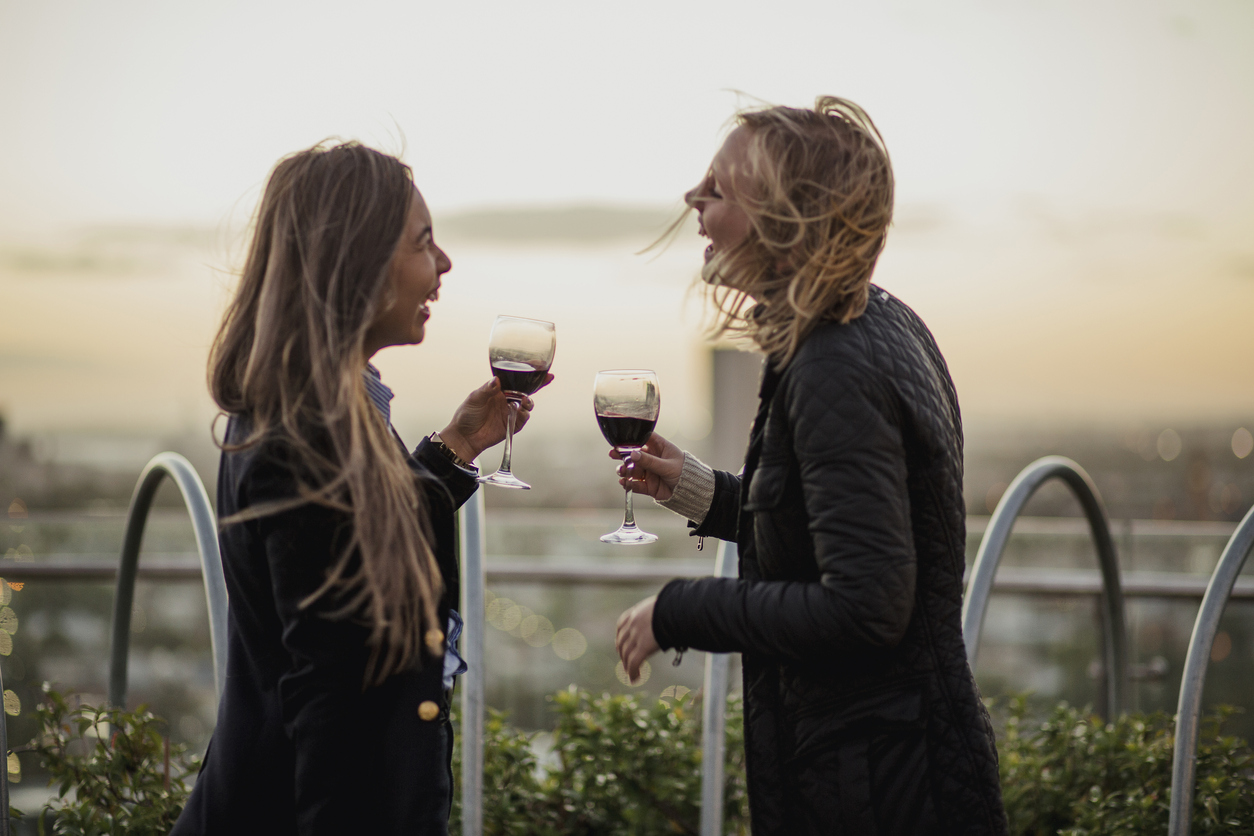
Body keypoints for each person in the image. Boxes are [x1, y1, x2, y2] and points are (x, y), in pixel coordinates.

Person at [613, 98, 1008, 835]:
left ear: (790, 225)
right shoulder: (876, 324)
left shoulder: (832, 361)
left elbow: (865, 606)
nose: (692, 201)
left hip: (875, 784)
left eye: (719, 190)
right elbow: (830, 525)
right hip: (892, 760)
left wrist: (680, 611)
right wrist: (698, 490)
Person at [172, 141, 544, 835]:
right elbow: (333, 713)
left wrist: (454, 449)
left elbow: (360, 551)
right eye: (423, 242)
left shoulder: (322, 412)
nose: (445, 263)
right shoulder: (309, 442)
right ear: (360, 266)